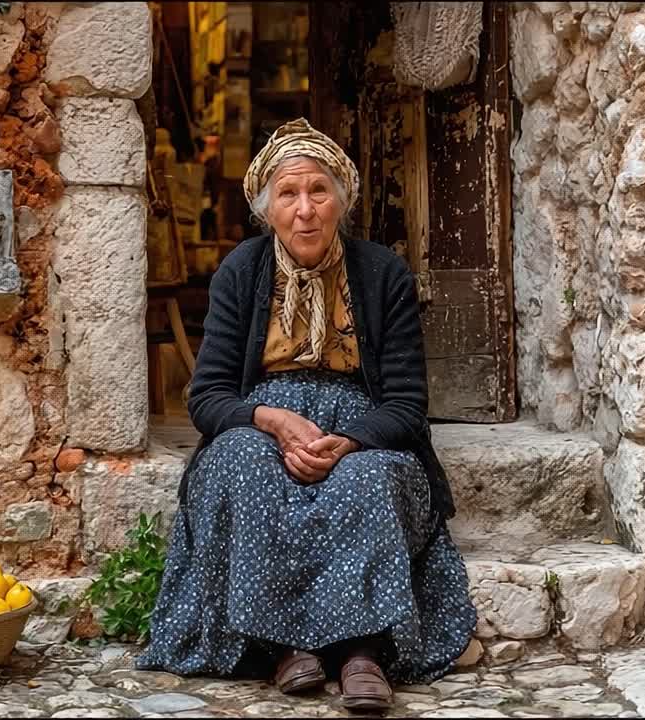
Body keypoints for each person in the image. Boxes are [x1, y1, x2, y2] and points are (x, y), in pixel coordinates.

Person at [135, 118, 477, 712]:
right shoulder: (241, 271)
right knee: (242, 462)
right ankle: (284, 647)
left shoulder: (381, 272)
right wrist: (269, 418)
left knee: (372, 476)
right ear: (267, 209)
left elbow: (405, 403)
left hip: (355, 425)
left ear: (340, 201)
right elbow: (207, 396)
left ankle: (362, 652)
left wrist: (350, 439)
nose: (305, 210)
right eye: (288, 195)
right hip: (264, 423)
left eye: (318, 191)